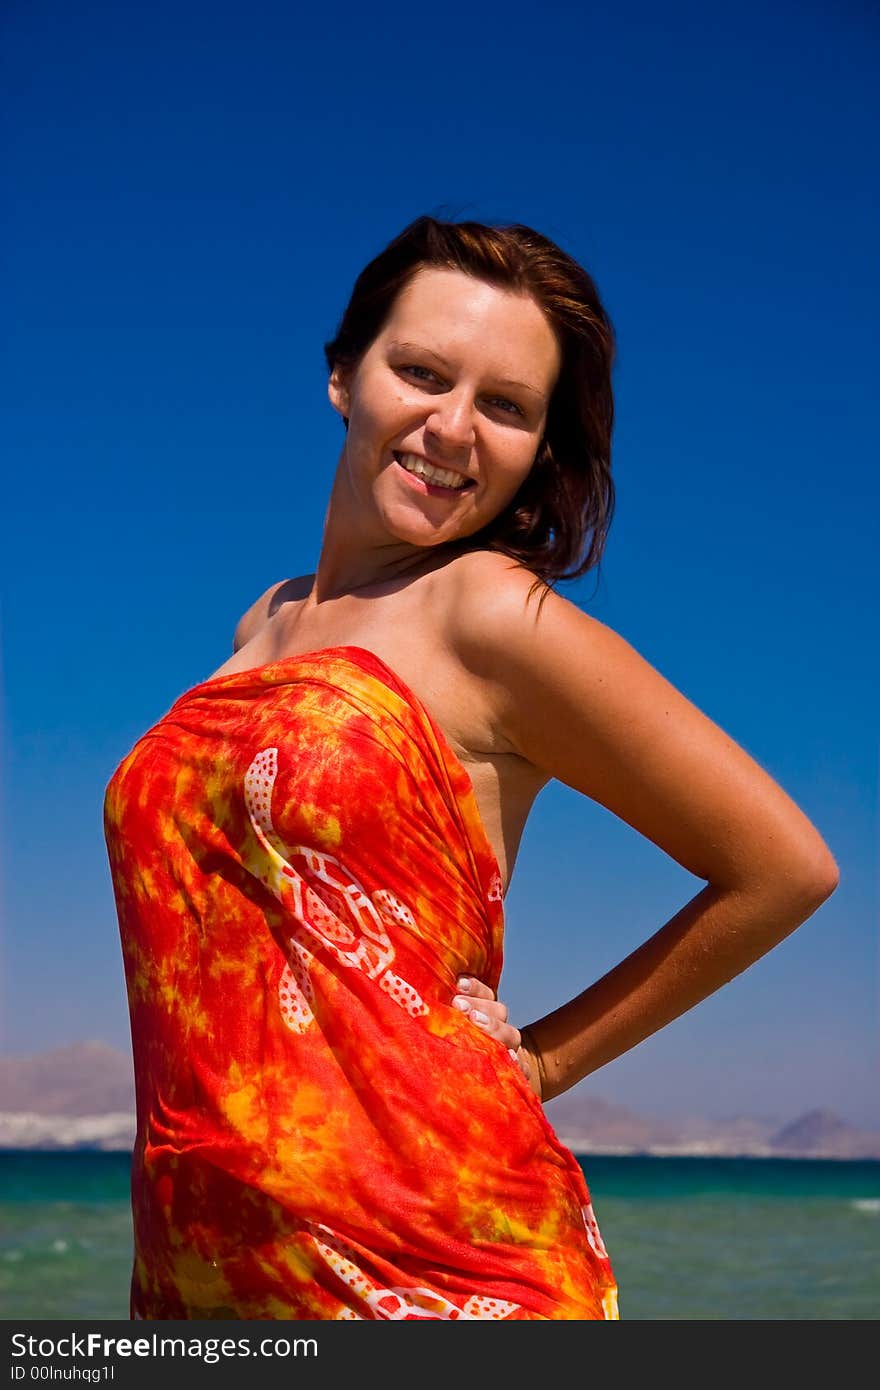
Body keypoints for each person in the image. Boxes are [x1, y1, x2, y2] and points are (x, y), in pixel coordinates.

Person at [103, 214, 839, 1322]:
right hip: (205, 1274)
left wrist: (545, 1061)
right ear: (344, 375)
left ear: (540, 447)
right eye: (422, 373)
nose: (452, 428)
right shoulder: (265, 618)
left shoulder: (492, 616)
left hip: (439, 1267)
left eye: (505, 407)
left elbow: (783, 865)